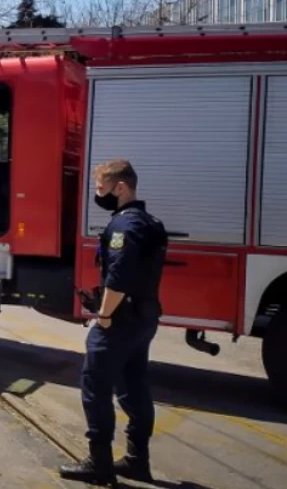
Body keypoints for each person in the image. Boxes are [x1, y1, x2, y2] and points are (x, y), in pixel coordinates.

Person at [59, 159, 167, 486]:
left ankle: (99, 464)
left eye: (100, 187)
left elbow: (118, 277)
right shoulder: (150, 222)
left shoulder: (125, 226)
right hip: (144, 318)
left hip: (119, 320)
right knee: (135, 386)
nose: (97, 193)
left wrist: (103, 316)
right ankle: (137, 461)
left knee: (96, 387)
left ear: (120, 188)